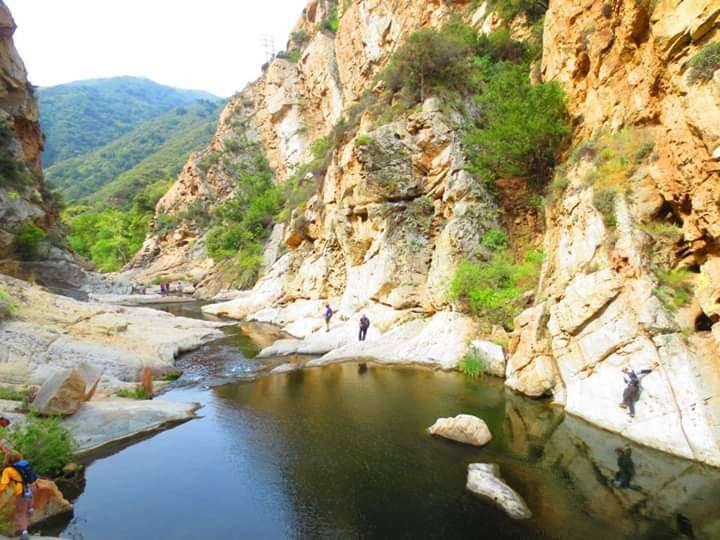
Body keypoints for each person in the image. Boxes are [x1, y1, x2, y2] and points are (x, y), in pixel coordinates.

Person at [0, 450, 37, 540]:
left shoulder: (8, 470)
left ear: (7, 460)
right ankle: (30, 508)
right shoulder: (25, 464)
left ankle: (24, 533)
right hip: (32, 487)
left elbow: (2, 485)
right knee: (29, 499)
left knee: (19, 513)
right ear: (19, 457)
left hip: (22, 492)